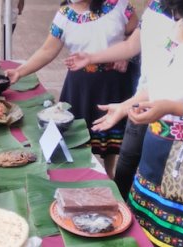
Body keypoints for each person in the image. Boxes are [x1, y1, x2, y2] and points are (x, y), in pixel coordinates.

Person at [89, 0, 183, 245]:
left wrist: (175, 108)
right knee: (144, 235)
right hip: (153, 156)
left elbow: (177, 100)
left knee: (179, 237)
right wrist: (125, 106)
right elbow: (160, 83)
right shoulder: (178, 28)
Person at [6, 0, 139, 177]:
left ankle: (109, 173)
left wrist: (126, 56)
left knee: (111, 136)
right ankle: (83, 175)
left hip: (113, 82)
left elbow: (136, 36)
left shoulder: (120, 6)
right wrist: (19, 72)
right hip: (80, 85)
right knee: (79, 136)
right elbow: (47, 51)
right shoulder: (64, 15)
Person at [64, 0, 175, 199]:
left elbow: (177, 75)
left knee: (155, 177)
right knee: (126, 164)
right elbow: (132, 45)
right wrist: (91, 58)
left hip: (171, 116)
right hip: (142, 99)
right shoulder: (154, 7)